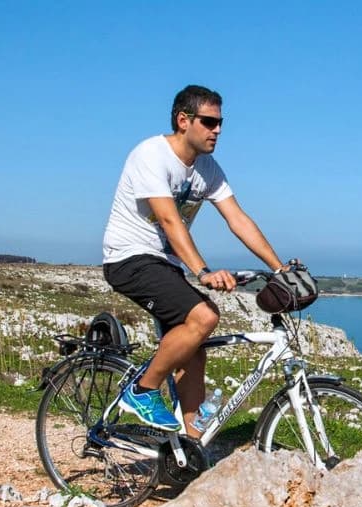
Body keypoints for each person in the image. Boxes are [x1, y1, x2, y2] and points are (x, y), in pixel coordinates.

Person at [102, 85, 287, 434]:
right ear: (183, 120)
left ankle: (192, 445)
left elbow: (238, 219)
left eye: (220, 123)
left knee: (194, 350)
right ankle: (141, 391)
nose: (217, 130)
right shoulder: (151, 155)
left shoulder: (208, 168)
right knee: (204, 316)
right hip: (129, 257)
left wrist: (280, 268)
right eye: (209, 122)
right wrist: (201, 271)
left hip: (164, 264)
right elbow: (170, 220)